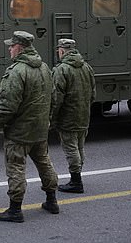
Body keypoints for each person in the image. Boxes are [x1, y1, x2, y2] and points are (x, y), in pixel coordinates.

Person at [0, 31, 59, 223]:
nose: (9, 49)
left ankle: (15, 209)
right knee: (44, 163)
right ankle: (52, 201)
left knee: (16, 168)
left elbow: (8, 103)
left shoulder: (17, 71)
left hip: (19, 132)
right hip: (39, 129)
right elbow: (53, 98)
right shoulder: (45, 68)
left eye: (11, 46)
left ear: (19, 47)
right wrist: (47, 120)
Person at [51, 38, 96, 194]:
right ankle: (77, 176)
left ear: (62, 50)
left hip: (68, 118)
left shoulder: (61, 70)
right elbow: (93, 94)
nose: (58, 53)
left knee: (71, 149)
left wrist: (52, 118)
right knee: (80, 147)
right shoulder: (87, 67)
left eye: (59, 50)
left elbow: (56, 98)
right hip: (84, 115)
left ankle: (76, 182)